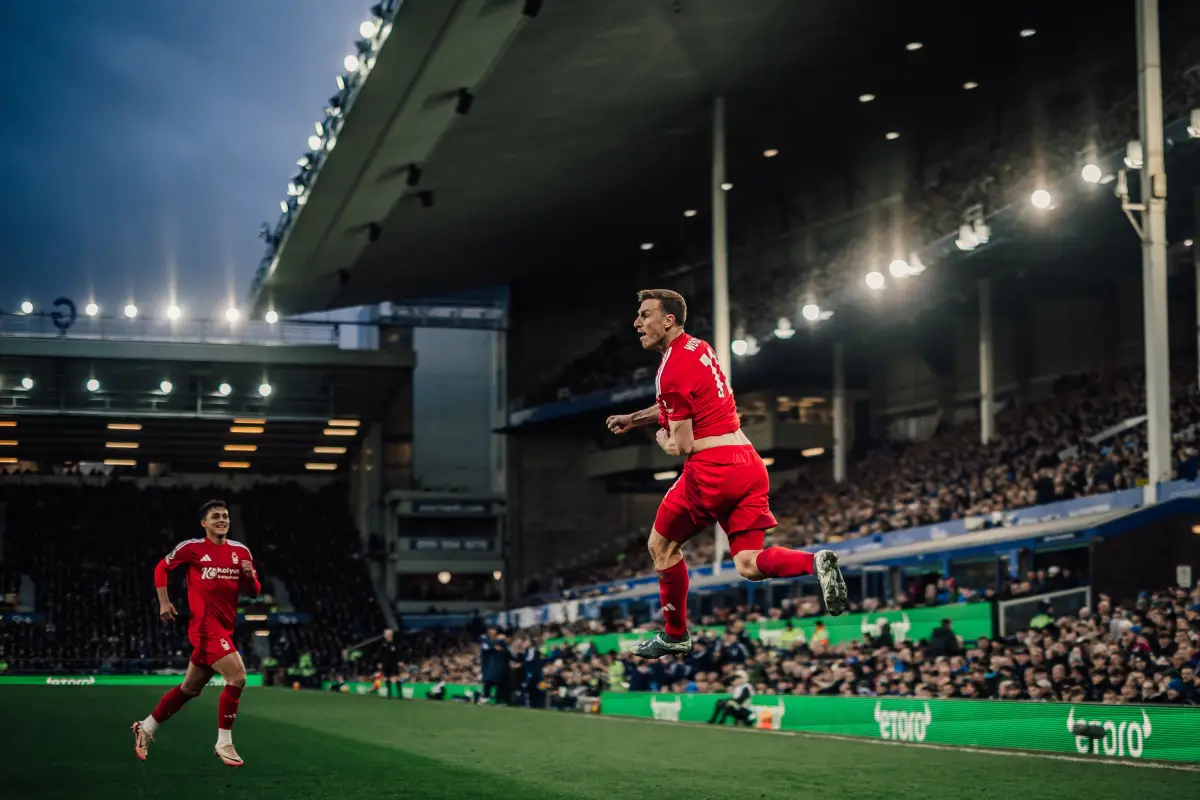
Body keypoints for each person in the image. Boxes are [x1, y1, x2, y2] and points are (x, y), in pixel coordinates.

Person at [606, 289, 847, 659]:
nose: (637, 323)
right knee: (749, 564)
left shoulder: (669, 370)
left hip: (712, 470)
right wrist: (633, 419)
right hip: (748, 464)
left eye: (644, 315)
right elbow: (675, 403)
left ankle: (675, 634)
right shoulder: (698, 348)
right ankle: (813, 563)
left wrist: (659, 439)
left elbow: (680, 446)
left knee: (661, 546)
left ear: (668, 319)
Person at [130, 499, 261, 767]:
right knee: (238, 677)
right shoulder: (192, 548)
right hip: (204, 628)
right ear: (204, 523)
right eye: (215, 516)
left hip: (224, 628)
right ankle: (224, 742)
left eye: (225, 516)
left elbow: (254, 592)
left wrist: (248, 576)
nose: (222, 520)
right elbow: (161, 567)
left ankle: (146, 726)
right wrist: (164, 602)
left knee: (189, 688)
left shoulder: (241, 552)